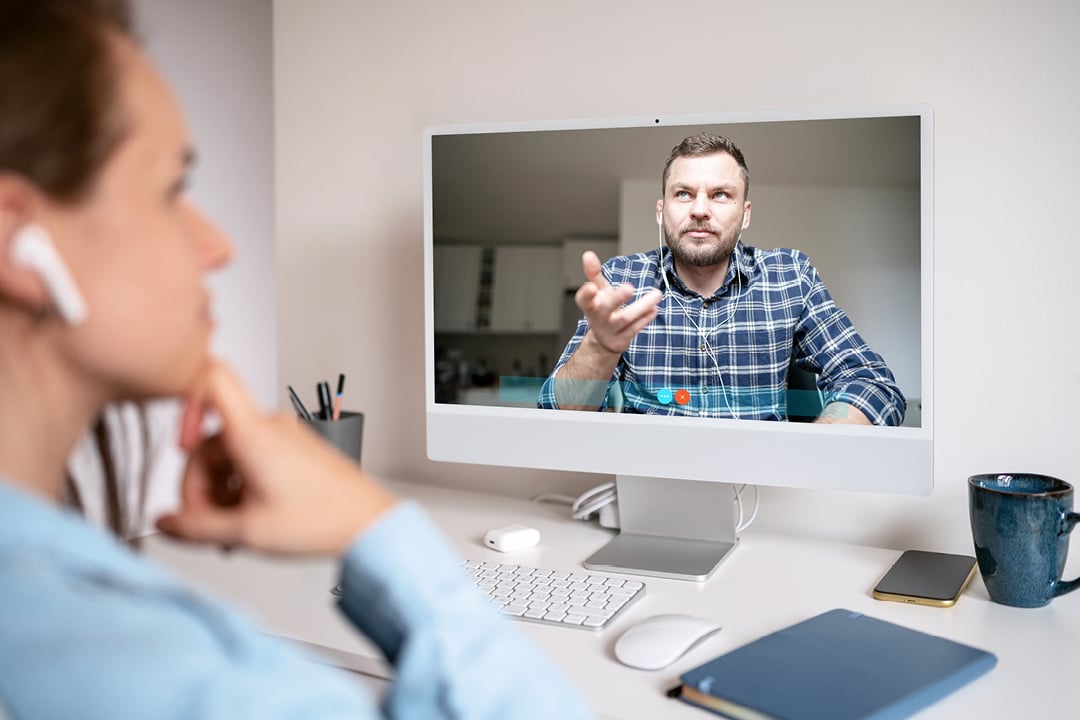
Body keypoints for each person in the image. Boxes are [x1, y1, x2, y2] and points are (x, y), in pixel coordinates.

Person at [0, 2, 591, 718]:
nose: (219, 247)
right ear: (19, 238)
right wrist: (374, 523)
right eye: (171, 191)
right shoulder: (149, 675)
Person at [538, 131, 906, 426]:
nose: (700, 210)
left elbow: (874, 385)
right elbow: (555, 417)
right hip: (651, 488)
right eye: (684, 194)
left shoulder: (791, 277)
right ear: (661, 210)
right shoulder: (621, 280)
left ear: (744, 215)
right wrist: (601, 348)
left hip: (763, 493)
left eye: (720, 195)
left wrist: (808, 455)